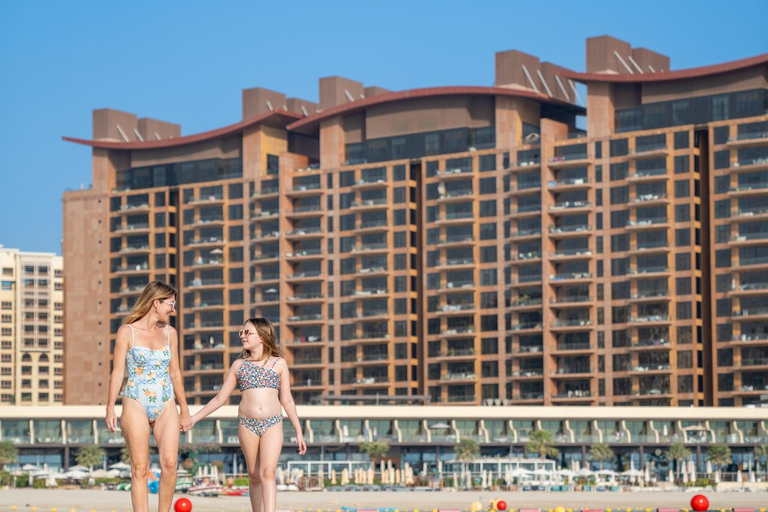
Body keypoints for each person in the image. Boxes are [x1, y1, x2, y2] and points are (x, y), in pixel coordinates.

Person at [187, 317, 306, 512]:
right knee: (254, 474)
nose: (243, 336)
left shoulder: (280, 364)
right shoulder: (238, 365)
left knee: (268, 473)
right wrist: (194, 418)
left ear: (261, 336)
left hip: (273, 423)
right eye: (241, 333)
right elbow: (219, 399)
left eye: (247, 332)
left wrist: (299, 432)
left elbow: (287, 400)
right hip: (247, 424)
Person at [105, 281, 191, 512]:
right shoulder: (127, 331)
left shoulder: (170, 333)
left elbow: (175, 372)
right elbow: (117, 372)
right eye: (170, 304)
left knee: (170, 464)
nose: (173, 309)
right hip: (135, 401)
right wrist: (110, 407)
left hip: (166, 402)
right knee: (140, 468)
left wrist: (184, 409)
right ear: (156, 303)